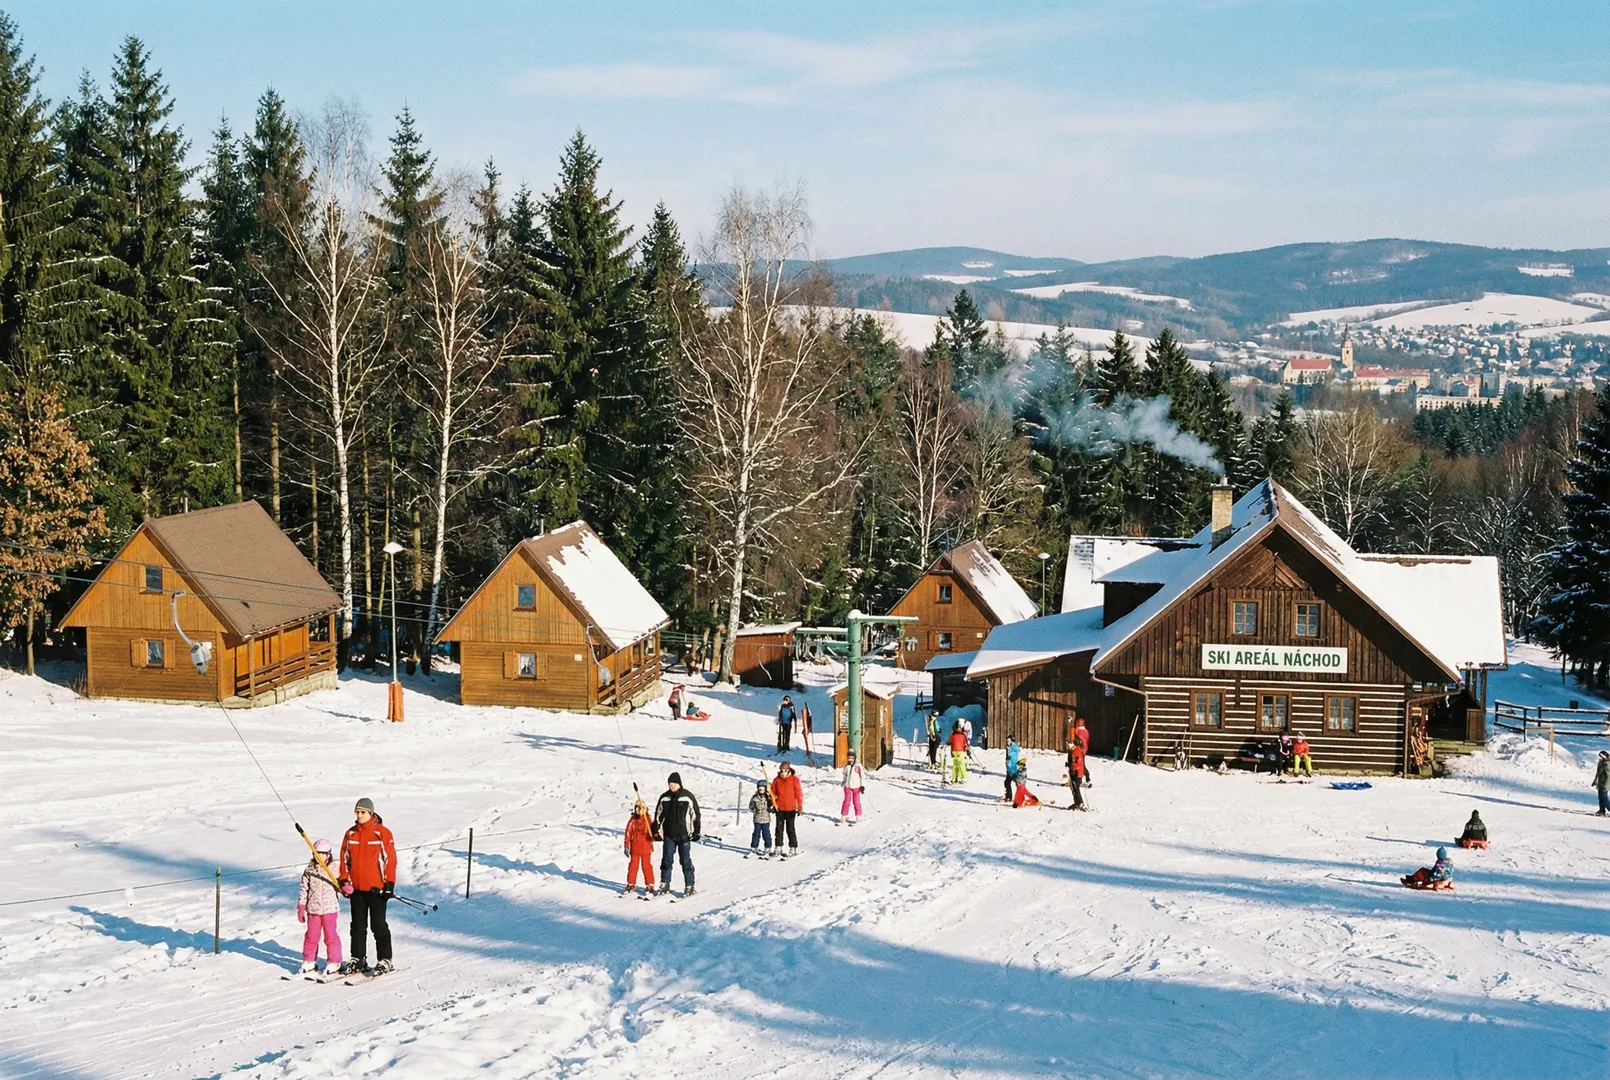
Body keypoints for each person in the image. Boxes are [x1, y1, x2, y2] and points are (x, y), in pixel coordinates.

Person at [338, 797, 397, 976]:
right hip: (357, 889)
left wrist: (389, 884)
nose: (359, 815)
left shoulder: (382, 833)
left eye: (362, 812)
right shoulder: (350, 834)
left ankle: (385, 959)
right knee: (357, 926)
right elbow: (344, 859)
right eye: (357, 812)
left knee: (378, 925)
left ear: (371, 813)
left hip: (376, 889)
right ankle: (358, 958)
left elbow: (390, 860)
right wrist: (344, 880)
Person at [296, 838, 343, 974]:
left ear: (329, 854)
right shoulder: (310, 870)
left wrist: (345, 887)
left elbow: (343, 882)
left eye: (323, 854)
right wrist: (301, 907)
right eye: (317, 853)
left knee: (330, 936)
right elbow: (303, 889)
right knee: (311, 936)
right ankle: (309, 960)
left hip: (330, 909)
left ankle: (334, 961)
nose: (320, 856)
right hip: (313, 910)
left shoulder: (335, 869)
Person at [653, 772, 701, 897]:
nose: (671, 786)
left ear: (679, 783)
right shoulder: (664, 797)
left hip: (684, 834)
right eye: (669, 783)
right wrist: (655, 828)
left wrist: (696, 831)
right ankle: (665, 884)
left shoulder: (687, 796)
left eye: (673, 783)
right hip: (669, 834)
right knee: (666, 860)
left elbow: (695, 814)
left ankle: (689, 885)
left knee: (685, 860)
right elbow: (658, 814)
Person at [622, 801, 657, 897]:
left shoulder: (648, 820)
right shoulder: (633, 821)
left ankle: (650, 884)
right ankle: (631, 883)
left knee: (646, 867)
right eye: (637, 808)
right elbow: (628, 833)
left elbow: (653, 833)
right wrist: (626, 845)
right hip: (635, 849)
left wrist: (654, 835)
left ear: (644, 809)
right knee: (633, 866)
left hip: (646, 848)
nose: (639, 810)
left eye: (641, 808)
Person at [771, 761, 803, 856]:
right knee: (779, 829)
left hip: (791, 809)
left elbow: (798, 794)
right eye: (781, 771)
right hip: (779, 808)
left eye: (784, 771)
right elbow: (773, 793)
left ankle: (793, 847)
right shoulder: (777, 780)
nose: (782, 773)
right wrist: (771, 803)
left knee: (790, 829)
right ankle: (778, 847)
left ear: (789, 770)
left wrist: (800, 806)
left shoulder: (794, 780)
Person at [749, 778, 775, 856]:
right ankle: (754, 847)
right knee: (756, 833)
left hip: (766, 819)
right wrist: (754, 810)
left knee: (766, 833)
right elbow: (751, 806)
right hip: (757, 819)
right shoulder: (754, 797)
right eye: (759, 789)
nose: (761, 791)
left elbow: (773, 804)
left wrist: (771, 808)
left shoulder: (768, 797)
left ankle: (767, 847)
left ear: (765, 789)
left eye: (763, 789)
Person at [840, 751, 867, 825]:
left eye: (852, 758)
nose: (850, 759)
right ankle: (844, 816)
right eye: (849, 758)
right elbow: (845, 775)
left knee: (856, 801)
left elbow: (862, 776)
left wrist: (862, 786)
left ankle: (858, 816)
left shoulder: (858, 766)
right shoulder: (846, 767)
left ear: (855, 758)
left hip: (856, 787)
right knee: (846, 801)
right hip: (847, 787)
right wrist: (844, 781)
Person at [1065, 740, 1086, 811]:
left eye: (1069, 744)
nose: (1068, 746)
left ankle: (1079, 802)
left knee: (1076, 788)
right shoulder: (1072, 750)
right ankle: (1077, 802)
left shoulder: (1076, 751)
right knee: (1073, 788)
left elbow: (1077, 762)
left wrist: (1071, 766)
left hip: (1077, 773)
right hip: (1074, 772)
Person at [1072, 718, 1093, 786]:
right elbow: (1086, 741)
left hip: (1078, 750)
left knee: (1080, 765)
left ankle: (1083, 778)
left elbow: (1078, 741)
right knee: (1081, 764)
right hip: (1083, 749)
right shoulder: (1086, 731)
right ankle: (1086, 778)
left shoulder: (1077, 731)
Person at [1003, 737, 1022, 803]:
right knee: (1007, 783)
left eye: (1008, 741)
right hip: (1009, 769)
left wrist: (1009, 765)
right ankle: (1009, 796)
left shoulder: (1013, 749)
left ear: (1012, 742)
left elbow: (1012, 759)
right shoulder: (1009, 748)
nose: (1007, 743)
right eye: (1007, 741)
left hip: (1013, 769)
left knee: (1017, 784)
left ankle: (1020, 797)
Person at [1595, 751, 1610, 816]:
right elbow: (1598, 773)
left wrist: (1606, 785)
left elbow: (1608, 776)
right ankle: (1602, 811)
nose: (1599, 758)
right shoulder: (1601, 763)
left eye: (1600, 756)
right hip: (1600, 783)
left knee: (1605, 799)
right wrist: (1595, 781)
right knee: (1600, 798)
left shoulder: (1607, 765)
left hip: (1605, 784)